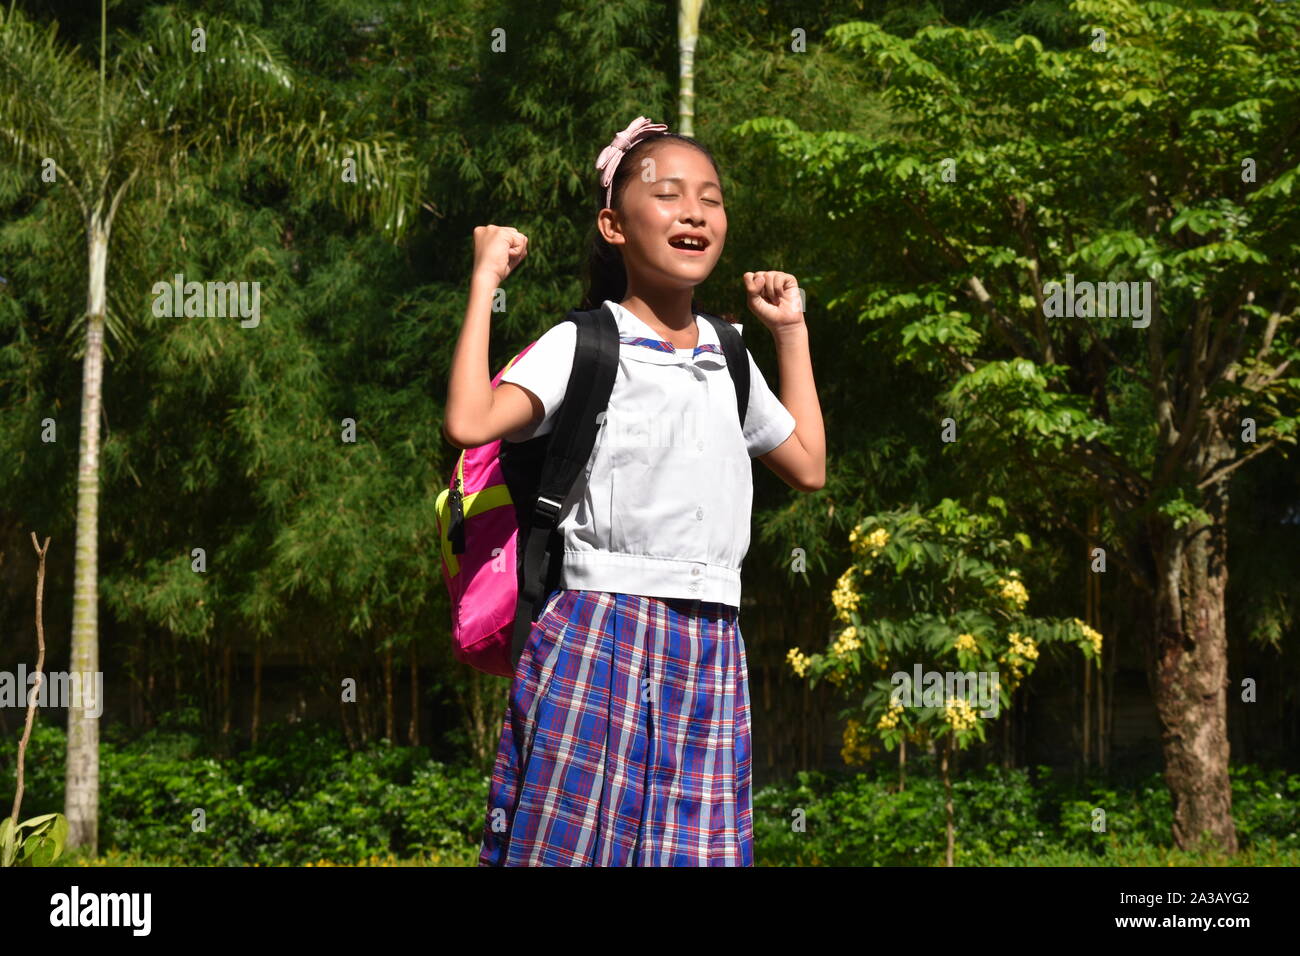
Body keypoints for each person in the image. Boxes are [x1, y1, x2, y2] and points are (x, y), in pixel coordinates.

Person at [443, 116, 825, 866]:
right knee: (569, 850)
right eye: (669, 194)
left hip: (711, 639)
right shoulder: (584, 341)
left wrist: (790, 332)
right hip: (598, 630)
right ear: (613, 225)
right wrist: (485, 280)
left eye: (710, 199)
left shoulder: (730, 355)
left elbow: (808, 465)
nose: (694, 212)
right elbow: (469, 419)